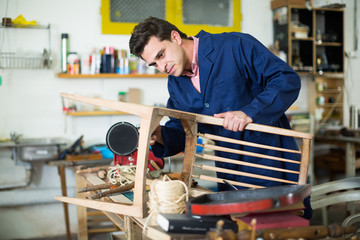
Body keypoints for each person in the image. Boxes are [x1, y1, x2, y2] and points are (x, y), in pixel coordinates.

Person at [129, 16, 312, 219]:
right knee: (235, 230)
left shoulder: (235, 46)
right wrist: (160, 135)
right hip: (229, 172)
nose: (162, 67)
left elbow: (286, 79)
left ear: (175, 37)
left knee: (278, 227)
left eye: (161, 55)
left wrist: (250, 112)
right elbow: (183, 130)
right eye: (154, 64)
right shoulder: (176, 83)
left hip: (270, 165)